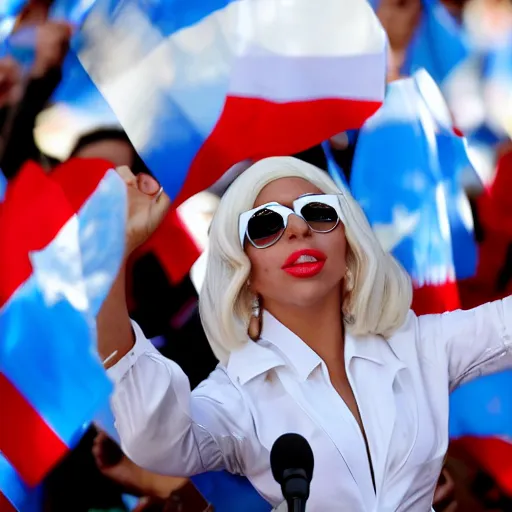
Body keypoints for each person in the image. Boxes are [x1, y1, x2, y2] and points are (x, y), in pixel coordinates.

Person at [98, 156, 512, 511]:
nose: (297, 228)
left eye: (318, 211)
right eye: (265, 224)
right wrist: (111, 253)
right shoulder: (238, 394)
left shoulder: (422, 344)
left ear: (348, 244)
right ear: (242, 270)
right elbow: (157, 440)